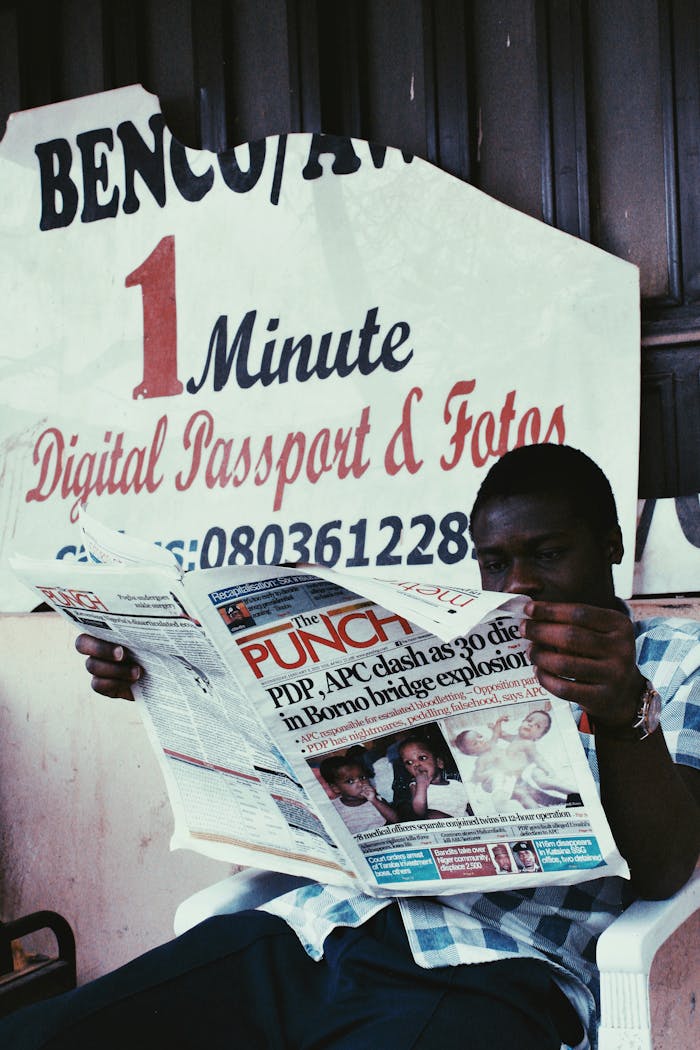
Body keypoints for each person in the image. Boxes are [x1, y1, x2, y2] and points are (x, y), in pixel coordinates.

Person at [3, 443, 698, 1050]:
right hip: (310, 933)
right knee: (40, 1036)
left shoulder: (676, 660)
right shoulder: (446, 642)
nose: (518, 584)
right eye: (495, 561)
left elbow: (669, 870)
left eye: (547, 554)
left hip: (491, 970)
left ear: (611, 543)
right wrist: (156, 669)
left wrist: (621, 710)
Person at [318, 755, 398, 833]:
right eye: (350, 781)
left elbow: (396, 820)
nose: (360, 784)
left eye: (362, 777)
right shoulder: (334, 808)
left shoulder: (377, 800)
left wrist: (374, 801)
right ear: (336, 788)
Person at [398, 734, 470, 819]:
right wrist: (422, 786)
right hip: (437, 823)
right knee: (433, 815)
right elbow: (419, 812)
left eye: (422, 758)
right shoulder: (415, 786)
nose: (416, 765)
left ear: (439, 762)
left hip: (463, 821)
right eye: (409, 763)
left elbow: (469, 805)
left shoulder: (457, 784)